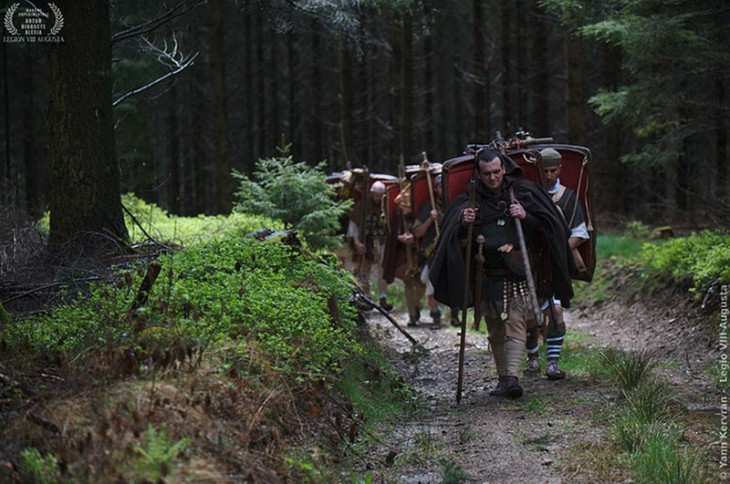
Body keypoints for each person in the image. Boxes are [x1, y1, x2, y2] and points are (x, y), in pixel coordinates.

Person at [429, 150, 574, 398]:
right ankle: (503, 378)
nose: (493, 178)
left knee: (516, 323)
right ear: (479, 174)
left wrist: (526, 215)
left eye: (497, 172)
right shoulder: (469, 201)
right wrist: (464, 224)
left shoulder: (523, 193)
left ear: (504, 169)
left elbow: (550, 225)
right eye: (487, 174)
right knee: (495, 329)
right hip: (487, 275)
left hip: (518, 273)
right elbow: (452, 239)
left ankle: (512, 378)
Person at [524, 148, 590, 380]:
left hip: (554, 267)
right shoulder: (530, 195)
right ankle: (532, 357)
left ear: (560, 169)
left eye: (553, 170)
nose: (549, 175)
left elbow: (579, 233)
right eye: (545, 171)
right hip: (530, 265)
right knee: (529, 314)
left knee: (557, 311)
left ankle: (552, 362)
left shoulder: (568, 198)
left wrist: (559, 251)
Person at [410, 174, 458, 329]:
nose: (442, 190)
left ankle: (454, 316)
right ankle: (435, 315)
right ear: (436, 189)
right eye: (439, 187)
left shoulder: (453, 205)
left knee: (453, 282)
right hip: (432, 254)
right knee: (431, 284)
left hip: (450, 252)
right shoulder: (429, 207)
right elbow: (417, 232)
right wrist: (430, 219)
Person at [348, 180, 393, 310]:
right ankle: (366, 297)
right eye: (376, 195)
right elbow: (354, 225)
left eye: (381, 195)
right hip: (365, 240)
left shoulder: (386, 206)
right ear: (372, 193)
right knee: (363, 269)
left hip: (381, 240)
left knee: (382, 269)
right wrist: (357, 242)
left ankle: (383, 297)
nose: (378, 198)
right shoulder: (362, 206)